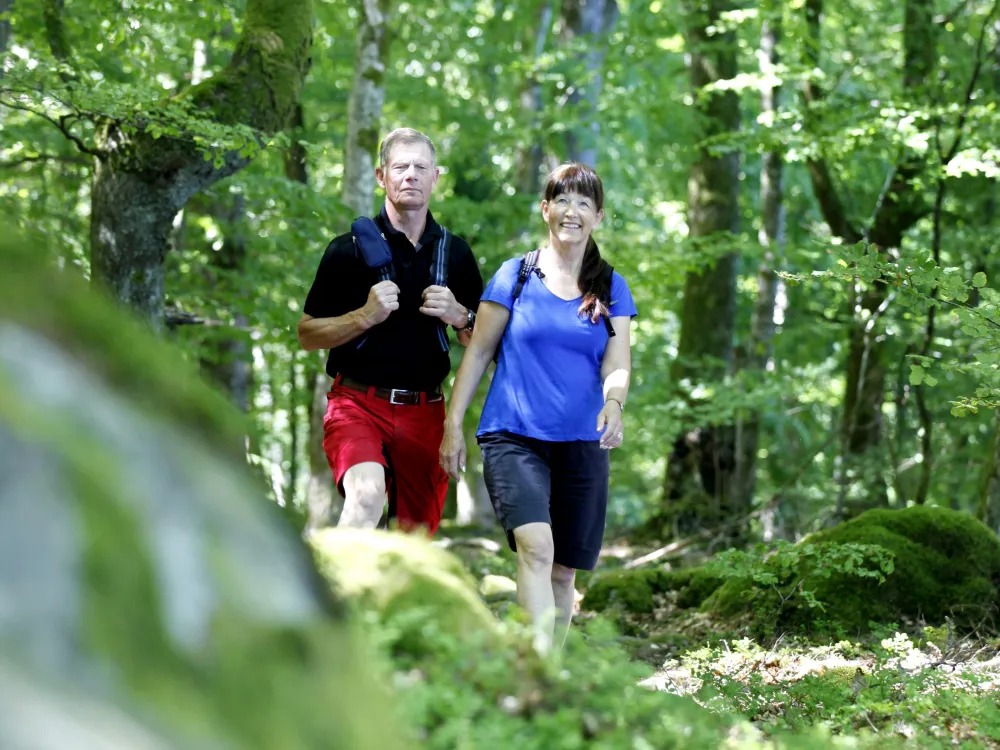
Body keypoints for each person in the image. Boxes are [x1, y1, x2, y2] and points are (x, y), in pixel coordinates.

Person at [439, 162, 636, 652]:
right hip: (513, 435)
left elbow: (617, 360)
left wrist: (614, 401)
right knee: (536, 547)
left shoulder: (610, 286)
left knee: (565, 571)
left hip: (581, 443)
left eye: (584, 203)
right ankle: (535, 663)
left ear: (599, 217)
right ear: (545, 208)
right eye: (563, 200)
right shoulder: (515, 275)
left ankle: (550, 670)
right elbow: (479, 350)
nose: (573, 212)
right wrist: (452, 424)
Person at [298, 128, 484, 536]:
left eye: (421, 167)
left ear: (436, 177)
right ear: (382, 176)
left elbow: (482, 345)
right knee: (365, 497)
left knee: (413, 540)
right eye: (400, 167)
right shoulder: (345, 250)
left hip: (426, 412)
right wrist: (362, 316)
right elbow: (307, 334)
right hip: (357, 404)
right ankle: (332, 598)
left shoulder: (456, 254)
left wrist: (461, 316)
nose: (411, 175)